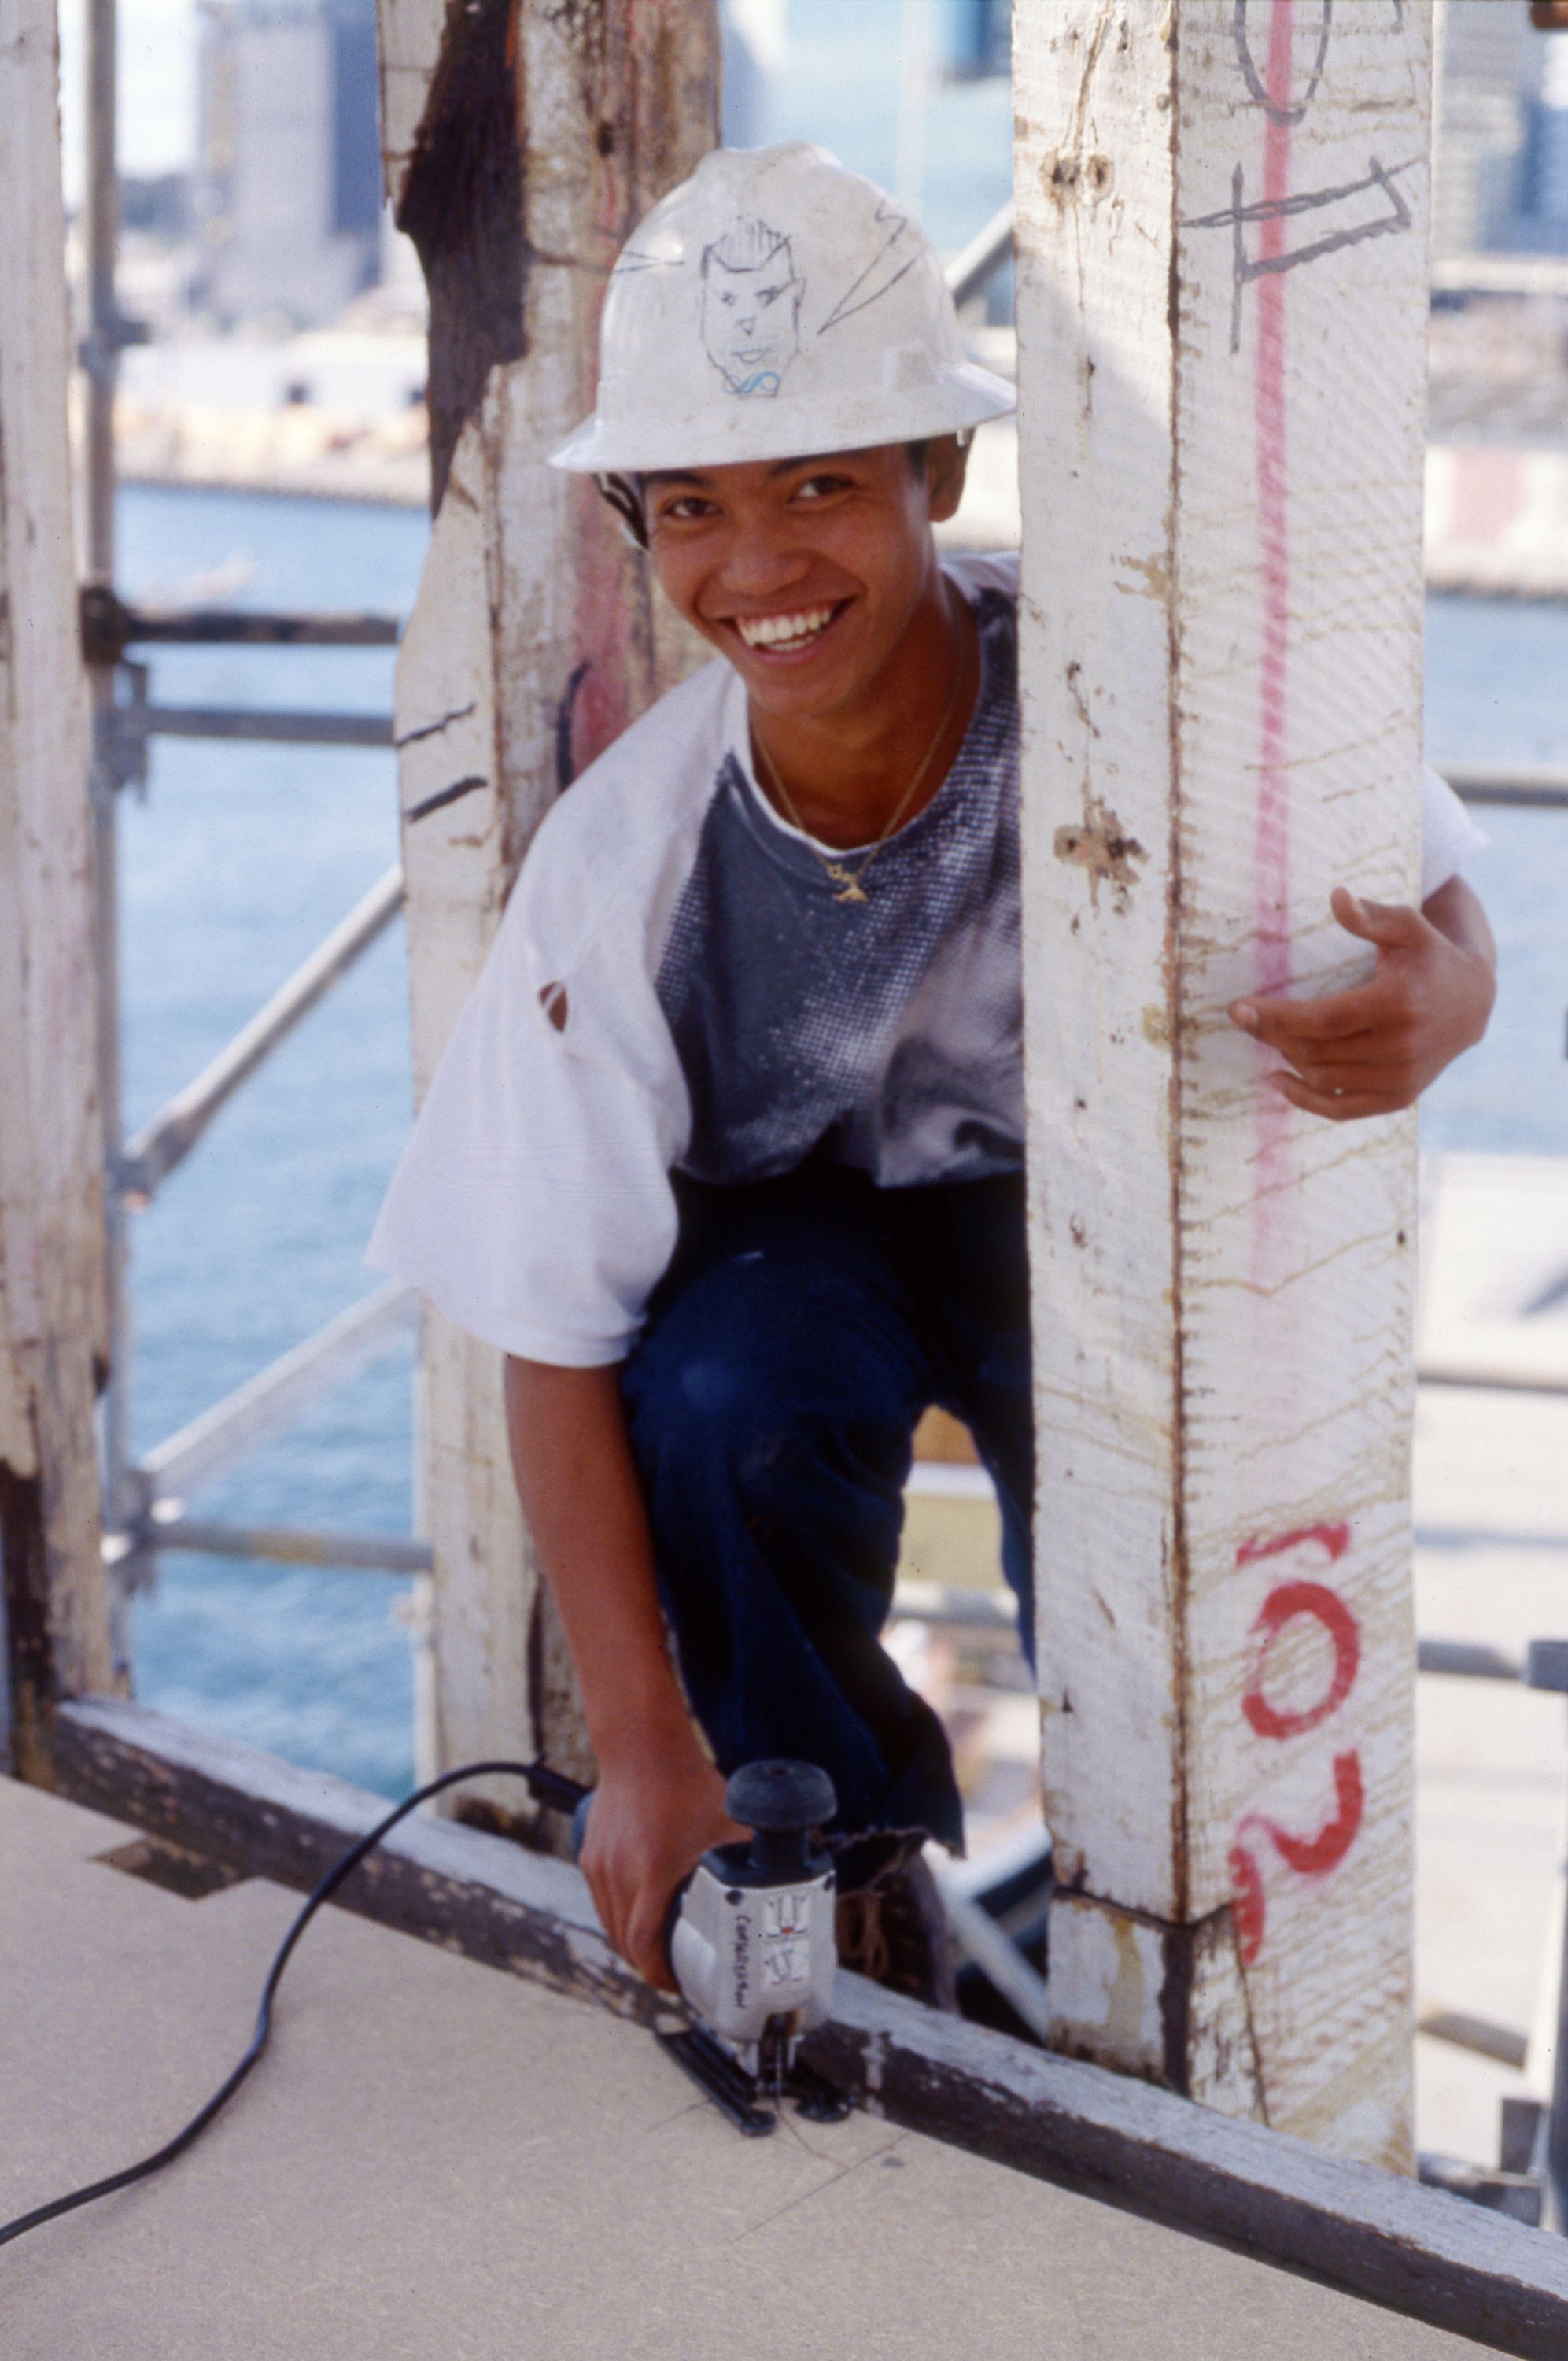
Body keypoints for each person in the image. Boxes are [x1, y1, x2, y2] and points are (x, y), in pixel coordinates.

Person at [369, 142, 1496, 2004]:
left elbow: (1419, 849)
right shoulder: (629, 857)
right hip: (795, 1232)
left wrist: (1446, 998)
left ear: (939, 476)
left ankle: (1174, 1929)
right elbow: (546, 1328)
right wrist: (649, 1752)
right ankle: (839, 1860)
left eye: (819, 486)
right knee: (736, 1394)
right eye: (693, 510)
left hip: (1068, 1198)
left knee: (1155, 1456)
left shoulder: (1114, 670)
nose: (757, 566)